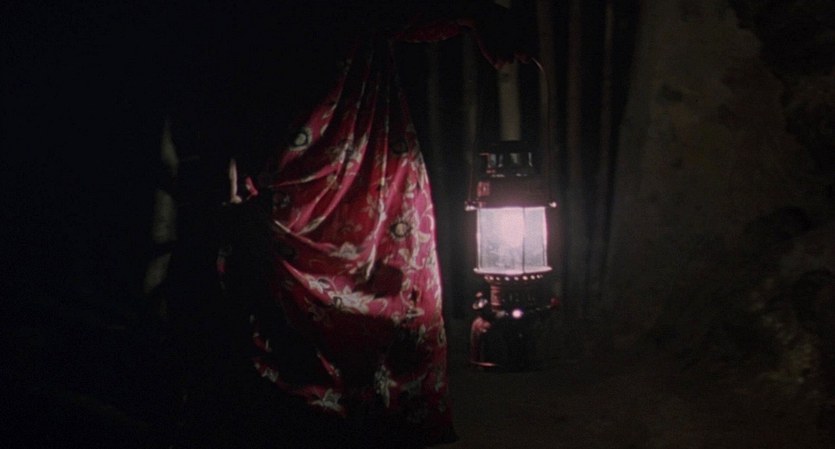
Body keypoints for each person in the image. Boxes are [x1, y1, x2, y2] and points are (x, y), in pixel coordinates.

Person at [166, 1, 527, 447]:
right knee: (277, 310)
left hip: (363, 147)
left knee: (390, 293)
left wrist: (476, 15)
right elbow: (215, 42)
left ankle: (372, 417)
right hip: (291, 136)